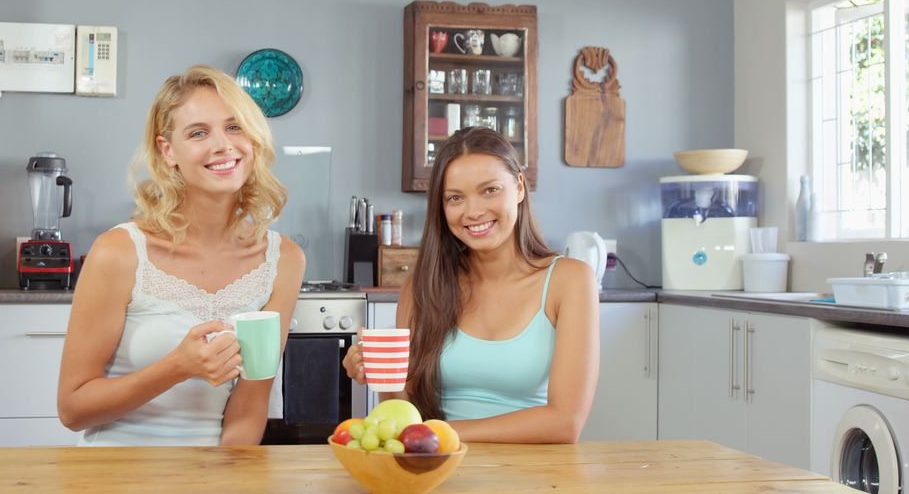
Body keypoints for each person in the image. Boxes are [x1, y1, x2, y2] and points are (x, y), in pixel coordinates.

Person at [57, 64, 304, 446]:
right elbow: (73, 410)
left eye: (234, 126)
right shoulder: (120, 252)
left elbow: (249, 407)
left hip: (211, 476)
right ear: (168, 151)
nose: (223, 145)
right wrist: (177, 366)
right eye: (199, 133)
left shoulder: (284, 260)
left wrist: (224, 481)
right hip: (112, 473)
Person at [344, 127, 599, 443]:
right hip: (439, 469)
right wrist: (383, 375)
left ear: (519, 187)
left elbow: (565, 423)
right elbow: (402, 412)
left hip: (533, 472)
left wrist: (436, 434)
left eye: (490, 190)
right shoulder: (421, 287)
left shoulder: (569, 280)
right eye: (455, 198)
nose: (473, 211)